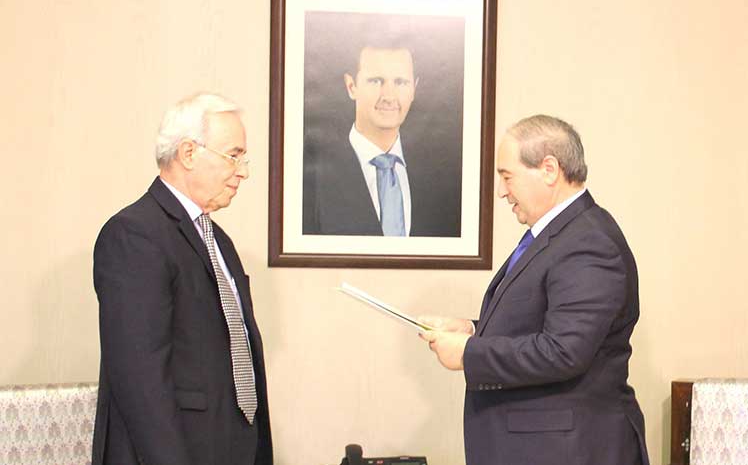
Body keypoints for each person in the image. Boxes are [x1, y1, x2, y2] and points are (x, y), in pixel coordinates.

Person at [420, 115, 649, 465]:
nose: (501, 191)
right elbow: (544, 323)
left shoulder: (589, 242)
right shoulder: (561, 233)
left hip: (570, 451)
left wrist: (469, 353)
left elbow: (564, 351)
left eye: (507, 176)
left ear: (549, 169)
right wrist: (473, 330)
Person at [91, 93, 273, 465]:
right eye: (233, 155)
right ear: (189, 153)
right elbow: (140, 380)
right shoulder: (134, 235)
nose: (243, 171)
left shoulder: (219, 240)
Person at [302, 40, 461, 237]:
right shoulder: (310, 175)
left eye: (400, 82)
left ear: (414, 88)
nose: (389, 96)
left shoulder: (445, 178)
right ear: (351, 86)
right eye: (376, 81)